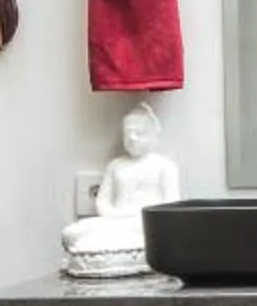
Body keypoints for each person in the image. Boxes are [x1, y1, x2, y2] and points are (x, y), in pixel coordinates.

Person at [61, 102, 179, 275]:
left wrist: (140, 217)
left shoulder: (164, 166)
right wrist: (114, 215)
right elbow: (102, 201)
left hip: (144, 225)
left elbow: (171, 206)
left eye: (139, 134)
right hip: (115, 222)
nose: (132, 139)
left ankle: (115, 253)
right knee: (72, 233)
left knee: (145, 237)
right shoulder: (116, 165)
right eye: (128, 134)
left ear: (154, 136)